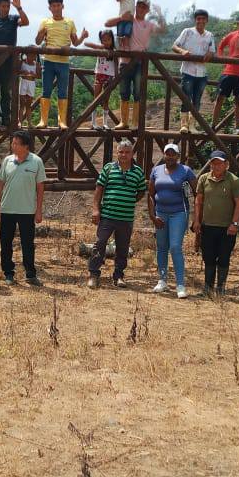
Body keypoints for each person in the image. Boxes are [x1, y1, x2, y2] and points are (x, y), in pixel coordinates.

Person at [87, 140, 148, 288]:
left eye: (127, 152)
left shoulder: (138, 172)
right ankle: (93, 275)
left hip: (126, 218)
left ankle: (119, 276)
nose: (124, 155)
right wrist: (96, 209)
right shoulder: (109, 168)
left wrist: (128, 200)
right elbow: (99, 190)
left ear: (132, 154)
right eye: (121, 152)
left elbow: (141, 191)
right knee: (100, 244)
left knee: (122, 248)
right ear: (117, 153)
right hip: (107, 216)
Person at [104, 0, 167, 130]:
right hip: (124, 62)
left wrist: (160, 14)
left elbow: (162, 30)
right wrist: (121, 18)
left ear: (147, 10)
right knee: (124, 92)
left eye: (144, 7)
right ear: (136, 6)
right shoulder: (128, 19)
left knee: (138, 93)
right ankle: (123, 122)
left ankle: (135, 123)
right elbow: (107, 23)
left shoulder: (148, 25)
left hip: (139, 63)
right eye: (139, 6)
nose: (141, 9)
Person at [0, 130, 47, 286]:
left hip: (27, 211)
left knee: (28, 244)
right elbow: (0, 184)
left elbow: (40, 187)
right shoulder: (7, 161)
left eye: (16, 143)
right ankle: (8, 273)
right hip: (7, 209)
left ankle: (30, 274)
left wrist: (39, 210)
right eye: (13, 142)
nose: (13, 145)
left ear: (26, 146)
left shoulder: (36, 161)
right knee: (6, 243)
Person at [148, 143, 197, 299]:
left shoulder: (186, 171)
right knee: (161, 247)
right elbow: (150, 194)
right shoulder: (156, 170)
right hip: (160, 213)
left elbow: (197, 194)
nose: (170, 156)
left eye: (173, 154)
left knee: (175, 247)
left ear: (178, 156)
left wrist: (196, 217)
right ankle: (162, 280)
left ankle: (180, 284)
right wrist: (152, 216)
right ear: (164, 155)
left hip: (179, 213)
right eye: (167, 154)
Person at [193, 151, 239, 296]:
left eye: (219, 163)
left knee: (223, 257)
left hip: (226, 227)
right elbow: (198, 201)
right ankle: (208, 288)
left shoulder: (233, 180)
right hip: (207, 226)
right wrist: (197, 220)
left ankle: (221, 288)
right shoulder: (204, 178)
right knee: (208, 257)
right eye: (213, 163)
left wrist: (234, 223)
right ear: (210, 164)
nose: (216, 166)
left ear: (226, 164)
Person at [35, 0, 87, 129]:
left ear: (62, 6)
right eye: (53, 6)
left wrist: (82, 37)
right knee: (46, 90)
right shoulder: (45, 22)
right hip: (48, 61)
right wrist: (40, 33)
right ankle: (43, 121)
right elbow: (38, 42)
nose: (56, 8)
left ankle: (62, 121)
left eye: (58, 5)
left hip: (64, 62)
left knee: (63, 91)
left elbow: (75, 42)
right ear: (49, 8)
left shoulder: (69, 22)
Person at [173, 9, 217, 134]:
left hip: (202, 73)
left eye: (203, 19)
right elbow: (174, 46)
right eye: (198, 19)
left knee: (197, 100)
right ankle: (184, 125)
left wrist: (210, 54)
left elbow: (212, 51)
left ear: (207, 20)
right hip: (188, 71)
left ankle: (192, 126)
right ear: (195, 20)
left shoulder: (209, 35)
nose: (201, 21)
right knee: (186, 98)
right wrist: (182, 51)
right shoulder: (187, 32)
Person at [212, 14, 239, 135]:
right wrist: (222, 59)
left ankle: (237, 127)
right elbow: (221, 46)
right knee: (220, 98)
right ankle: (213, 125)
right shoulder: (232, 34)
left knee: (238, 101)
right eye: (238, 24)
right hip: (228, 71)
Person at [83, 29, 118, 130]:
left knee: (106, 100)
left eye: (108, 40)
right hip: (99, 75)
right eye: (104, 40)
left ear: (112, 39)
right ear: (101, 40)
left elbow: (116, 65)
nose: (106, 42)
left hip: (109, 76)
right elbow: (86, 44)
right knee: (96, 99)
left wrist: (116, 77)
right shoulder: (100, 48)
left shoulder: (115, 51)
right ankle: (93, 123)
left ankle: (105, 123)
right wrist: (98, 46)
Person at [18, 48, 39, 126]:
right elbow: (17, 72)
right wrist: (23, 72)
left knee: (28, 105)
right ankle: (20, 122)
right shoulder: (22, 62)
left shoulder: (36, 64)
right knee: (22, 104)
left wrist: (34, 75)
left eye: (34, 55)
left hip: (31, 84)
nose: (33, 56)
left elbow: (39, 76)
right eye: (31, 55)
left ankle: (29, 123)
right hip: (23, 82)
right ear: (26, 54)